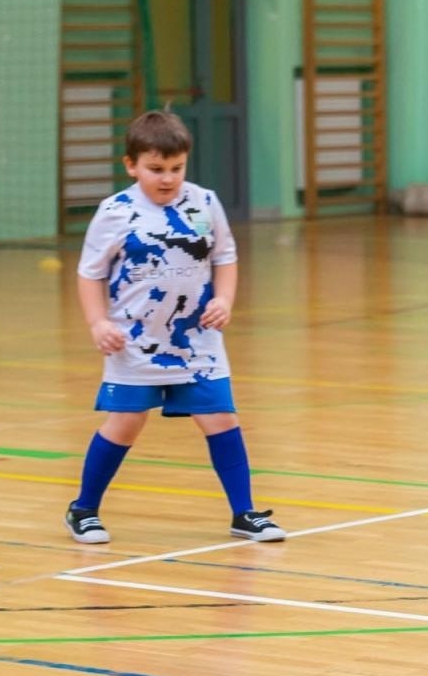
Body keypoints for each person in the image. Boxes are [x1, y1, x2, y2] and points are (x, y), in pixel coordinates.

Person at [64, 110, 285, 545]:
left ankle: (244, 512)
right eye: (156, 169)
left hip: (197, 342)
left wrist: (223, 299)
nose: (167, 179)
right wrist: (97, 322)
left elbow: (224, 257)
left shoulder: (204, 203)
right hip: (134, 344)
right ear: (131, 165)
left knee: (221, 418)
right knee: (125, 423)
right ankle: (83, 509)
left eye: (176, 168)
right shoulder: (116, 212)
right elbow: (89, 273)